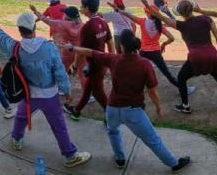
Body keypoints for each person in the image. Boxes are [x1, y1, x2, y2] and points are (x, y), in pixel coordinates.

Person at [64, 30, 191, 172]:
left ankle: (119, 159)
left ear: (122, 46)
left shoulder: (113, 59)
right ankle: (174, 164)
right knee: (152, 140)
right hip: (133, 112)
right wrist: (158, 108)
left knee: (112, 131)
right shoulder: (144, 64)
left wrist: (72, 48)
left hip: (112, 109)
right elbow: (152, 91)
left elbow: (89, 52)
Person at [0, 11, 92, 168]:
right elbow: (59, 71)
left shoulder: (15, 47)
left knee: (21, 117)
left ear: (20, 31)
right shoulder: (49, 47)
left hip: (28, 94)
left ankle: (16, 139)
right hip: (50, 96)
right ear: (34, 27)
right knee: (59, 126)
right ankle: (69, 156)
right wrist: (67, 91)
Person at [139, 0, 217, 113]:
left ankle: (185, 106)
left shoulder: (181, 25)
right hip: (212, 55)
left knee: (181, 78)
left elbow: (161, 16)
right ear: (192, 9)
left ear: (180, 13)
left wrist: (147, 6)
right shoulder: (206, 18)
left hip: (196, 58)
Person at [109, 2, 196, 94]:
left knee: (137, 71)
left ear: (148, 13)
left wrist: (117, 9)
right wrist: (164, 44)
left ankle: (129, 89)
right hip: (156, 53)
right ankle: (184, 89)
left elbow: (127, 14)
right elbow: (172, 38)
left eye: (146, 12)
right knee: (167, 73)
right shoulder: (160, 25)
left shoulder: (142, 22)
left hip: (143, 52)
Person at [63, 0, 113, 121]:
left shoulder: (87, 27)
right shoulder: (103, 22)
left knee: (98, 92)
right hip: (101, 64)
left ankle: (111, 116)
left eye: (82, 6)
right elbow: (110, 44)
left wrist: (74, 66)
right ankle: (76, 111)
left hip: (95, 66)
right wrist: (110, 62)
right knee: (89, 89)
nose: (81, 9)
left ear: (86, 8)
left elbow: (81, 51)